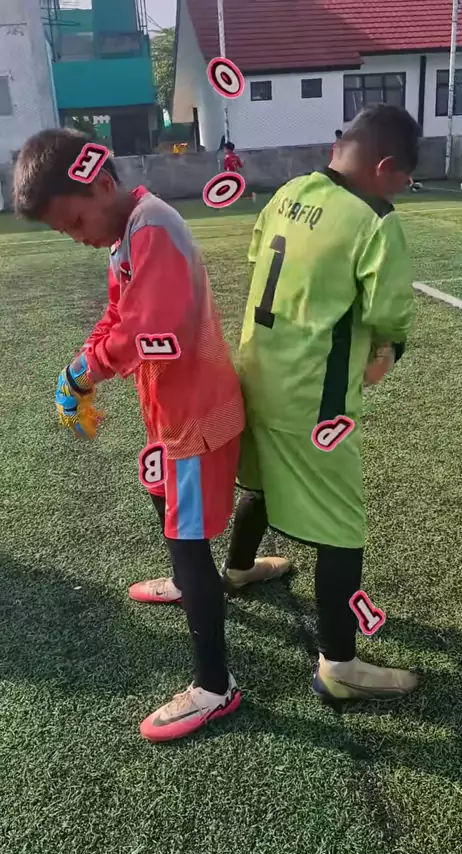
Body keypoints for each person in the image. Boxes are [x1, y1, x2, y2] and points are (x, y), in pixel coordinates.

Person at [12, 128, 282, 743]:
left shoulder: (152, 227)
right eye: (63, 231)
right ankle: (189, 583)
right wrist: (77, 363)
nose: (77, 236)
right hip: (170, 410)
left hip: (194, 416)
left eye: (74, 221)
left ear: (102, 185)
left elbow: (146, 331)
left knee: (187, 540)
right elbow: (119, 312)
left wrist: (86, 371)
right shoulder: (128, 231)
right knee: (159, 496)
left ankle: (214, 686)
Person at [223, 104, 422, 707]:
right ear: (385, 167)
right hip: (313, 401)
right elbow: (390, 316)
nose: (403, 189)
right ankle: (339, 664)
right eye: (404, 178)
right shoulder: (375, 220)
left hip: (255, 375)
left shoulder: (287, 193)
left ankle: (239, 568)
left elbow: (259, 265)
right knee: (343, 526)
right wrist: (389, 351)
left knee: (263, 478)